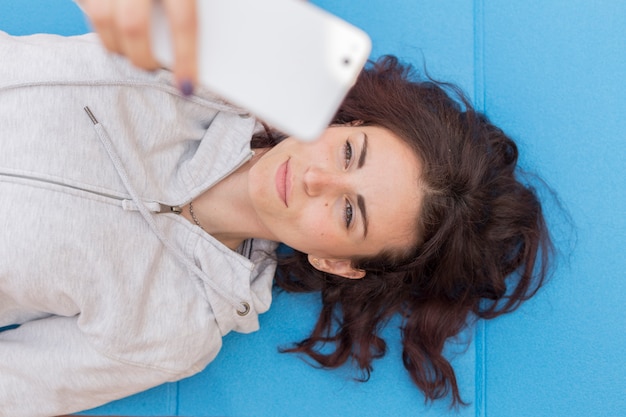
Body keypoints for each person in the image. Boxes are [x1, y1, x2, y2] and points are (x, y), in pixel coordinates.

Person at [0, 1, 553, 415]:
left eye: (347, 213)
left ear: (339, 262)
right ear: (345, 123)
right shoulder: (219, 74)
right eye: (347, 152)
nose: (315, 177)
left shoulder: (176, 331)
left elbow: (14, 386)